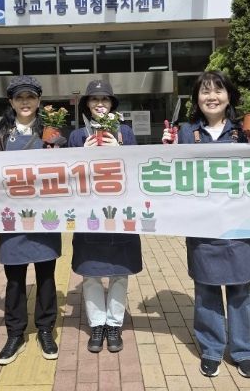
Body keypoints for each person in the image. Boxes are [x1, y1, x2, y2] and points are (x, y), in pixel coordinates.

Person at [162, 71, 250, 379]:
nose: (212, 97)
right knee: (206, 288)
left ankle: (243, 351)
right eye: (205, 91)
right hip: (202, 224)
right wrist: (166, 151)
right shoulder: (185, 132)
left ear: (229, 96)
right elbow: (171, 175)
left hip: (240, 223)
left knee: (240, 289)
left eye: (218, 90)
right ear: (196, 98)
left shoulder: (246, 129)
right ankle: (212, 349)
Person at [0, 75, 62, 365]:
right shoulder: (0, 133)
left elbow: (67, 170)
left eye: (30, 97)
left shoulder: (52, 131)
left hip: (45, 215)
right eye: (19, 97)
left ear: (39, 101)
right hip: (12, 217)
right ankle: (15, 333)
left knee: (46, 276)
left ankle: (45, 330)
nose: (25, 102)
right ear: (11, 102)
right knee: (14, 278)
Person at [67, 80, 142, 353]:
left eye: (105, 99)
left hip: (120, 213)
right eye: (94, 99)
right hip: (89, 213)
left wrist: (120, 152)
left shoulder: (125, 132)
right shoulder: (77, 136)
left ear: (112, 105)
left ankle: (114, 324)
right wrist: (82, 155)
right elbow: (68, 176)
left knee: (120, 272)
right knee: (91, 272)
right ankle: (97, 324)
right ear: (87, 105)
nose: (100, 104)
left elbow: (137, 170)